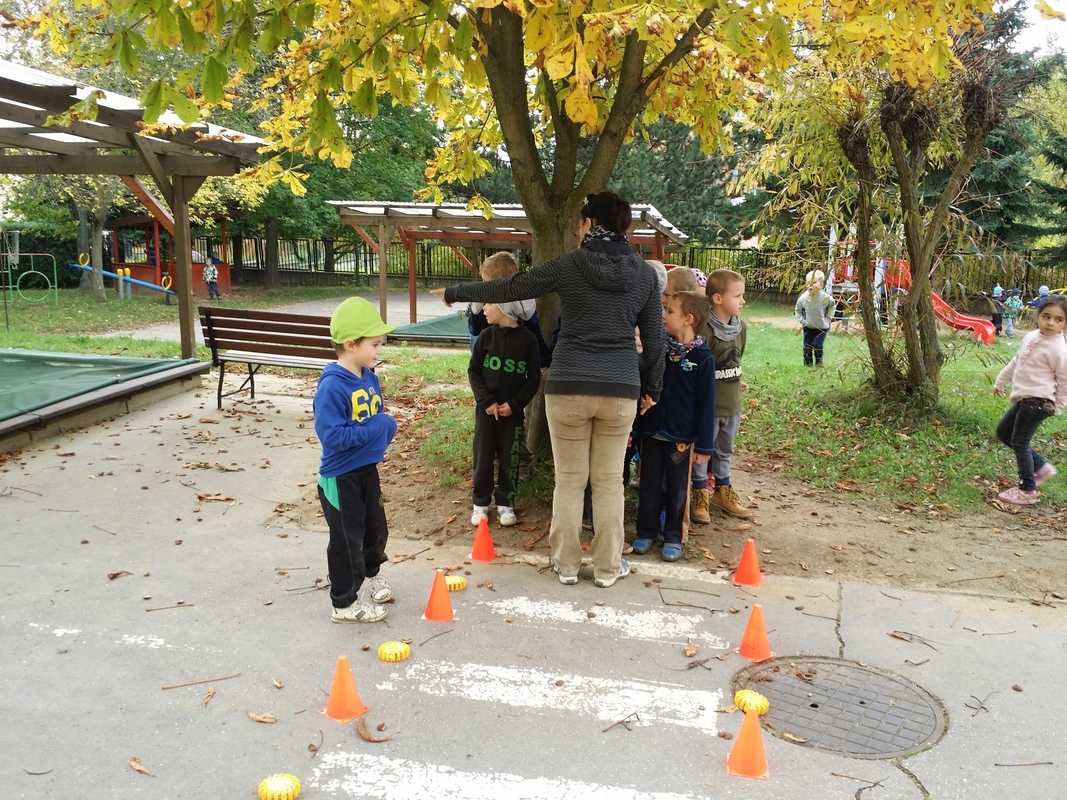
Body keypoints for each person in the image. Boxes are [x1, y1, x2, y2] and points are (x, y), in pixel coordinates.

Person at [435, 191, 665, 589]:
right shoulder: (645, 275)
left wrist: (458, 291)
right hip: (620, 387)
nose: (579, 228)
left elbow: (511, 287)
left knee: (571, 480)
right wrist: (651, 388)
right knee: (610, 481)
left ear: (591, 223)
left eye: (581, 221)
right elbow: (656, 342)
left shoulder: (571, 265)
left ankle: (567, 565)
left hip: (569, 385)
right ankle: (609, 568)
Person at [313, 298, 398, 623]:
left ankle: (372, 573)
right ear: (350, 344)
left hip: (366, 470)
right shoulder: (333, 386)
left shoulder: (367, 375)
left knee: (375, 529)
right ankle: (344, 603)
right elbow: (333, 436)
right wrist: (377, 427)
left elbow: (373, 417)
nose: (379, 350)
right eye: (374, 344)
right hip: (340, 476)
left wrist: (381, 431)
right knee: (347, 539)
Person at [632, 291, 715, 561]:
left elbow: (707, 405)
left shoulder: (703, 358)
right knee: (649, 484)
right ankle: (646, 532)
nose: (663, 316)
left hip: (681, 437)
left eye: (670, 312)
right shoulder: (658, 349)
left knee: (677, 489)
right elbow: (644, 378)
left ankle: (673, 536)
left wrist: (704, 445)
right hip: (652, 430)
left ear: (689, 319)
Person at [468, 301, 542, 528]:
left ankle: (505, 503)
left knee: (511, 457)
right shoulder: (485, 337)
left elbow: (533, 379)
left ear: (504, 308)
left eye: (488, 305)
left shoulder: (529, 340)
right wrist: (486, 401)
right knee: (483, 456)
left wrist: (515, 404)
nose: (484, 310)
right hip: (486, 413)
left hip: (513, 414)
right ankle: (480, 504)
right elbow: (474, 371)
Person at [992, 295, 1067, 506]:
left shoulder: (1058, 349)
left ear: (1065, 323)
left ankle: (1027, 489)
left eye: (1058, 319)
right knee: (1003, 433)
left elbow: (1065, 380)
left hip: (1038, 401)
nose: (1051, 323)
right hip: (1023, 398)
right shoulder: (1031, 336)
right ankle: (1041, 468)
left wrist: (1058, 405)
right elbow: (1017, 361)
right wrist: (1000, 382)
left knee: (1020, 441)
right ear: (1038, 316)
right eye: (1046, 316)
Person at [691, 268, 752, 523]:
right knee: (704, 450)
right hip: (709, 407)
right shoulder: (704, 331)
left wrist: (737, 381)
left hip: (731, 405)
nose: (743, 300)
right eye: (737, 296)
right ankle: (699, 493)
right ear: (717, 298)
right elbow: (697, 367)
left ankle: (723, 490)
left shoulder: (741, 328)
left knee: (725, 449)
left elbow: (738, 360)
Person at [465, 252, 551, 365]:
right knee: (477, 337)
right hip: (492, 350)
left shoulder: (520, 300)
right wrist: (475, 311)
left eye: (487, 282)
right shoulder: (484, 300)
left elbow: (534, 334)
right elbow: (474, 330)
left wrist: (543, 363)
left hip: (515, 351)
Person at [794, 269, 836, 367]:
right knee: (807, 347)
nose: (810, 285)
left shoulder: (825, 298)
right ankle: (807, 366)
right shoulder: (803, 298)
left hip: (822, 327)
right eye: (808, 283)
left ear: (821, 285)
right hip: (808, 327)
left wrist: (829, 318)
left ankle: (818, 364)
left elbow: (832, 305)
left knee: (817, 345)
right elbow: (797, 310)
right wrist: (802, 321)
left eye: (813, 283)